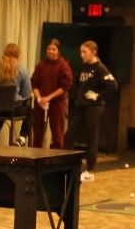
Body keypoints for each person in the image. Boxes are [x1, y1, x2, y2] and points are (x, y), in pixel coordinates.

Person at [64, 40, 118, 183]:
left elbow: (113, 85)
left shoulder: (100, 68)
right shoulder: (83, 68)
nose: (82, 55)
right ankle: (68, 166)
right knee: (69, 136)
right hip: (81, 106)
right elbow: (76, 84)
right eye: (81, 52)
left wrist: (97, 95)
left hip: (94, 108)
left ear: (93, 52)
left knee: (91, 137)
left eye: (84, 52)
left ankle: (90, 171)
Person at [31, 39, 73, 149]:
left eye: (53, 49)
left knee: (57, 133)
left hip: (57, 103)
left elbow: (66, 86)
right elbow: (34, 83)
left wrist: (49, 97)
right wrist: (39, 98)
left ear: (58, 51)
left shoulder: (63, 65)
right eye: (49, 49)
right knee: (38, 132)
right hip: (41, 103)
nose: (50, 51)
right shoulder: (41, 65)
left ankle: (57, 159)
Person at [0, 43, 32, 146]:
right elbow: (27, 95)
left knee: (1, 105)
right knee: (32, 112)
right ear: (18, 56)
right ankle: (21, 139)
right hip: (13, 110)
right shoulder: (22, 71)